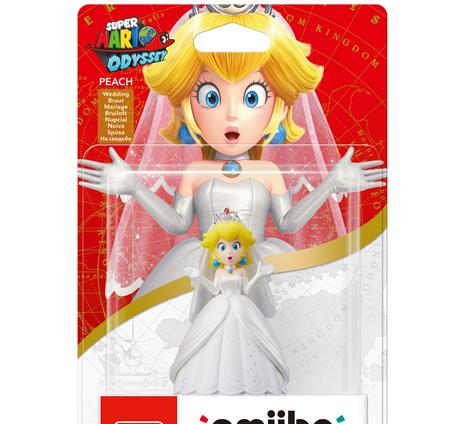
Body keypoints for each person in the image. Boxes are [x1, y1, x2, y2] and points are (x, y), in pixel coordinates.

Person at [78, 7, 387, 323]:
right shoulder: (196, 172)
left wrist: (331, 184)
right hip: (204, 266)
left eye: (252, 98)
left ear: (280, 107)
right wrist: (134, 187)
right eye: (210, 97)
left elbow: (288, 222)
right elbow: (178, 224)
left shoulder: (268, 173)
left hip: (259, 266)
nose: (232, 115)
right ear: (183, 107)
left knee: (270, 326)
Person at [171, 212, 288, 394]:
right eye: (222, 247)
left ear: (244, 249)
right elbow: (213, 289)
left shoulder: (241, 272)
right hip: (219, 306)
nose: (229, 252)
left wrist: (259, 275)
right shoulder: (219, 273)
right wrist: (199, 276)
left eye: (235, 246)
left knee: (254, 337)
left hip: (243, 307)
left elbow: (247, 289)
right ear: (214, 252)